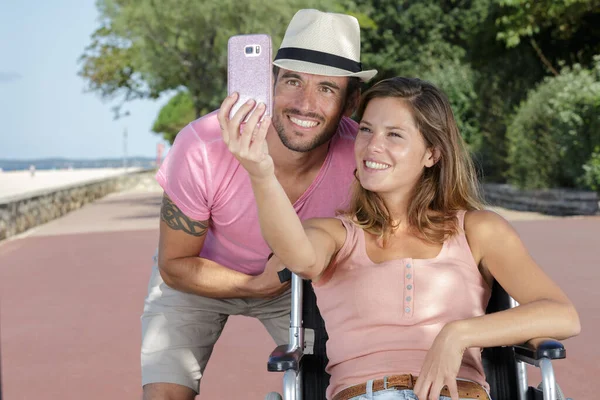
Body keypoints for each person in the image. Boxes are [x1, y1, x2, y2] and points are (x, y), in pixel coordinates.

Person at [220, 76, 581, 400]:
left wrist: (457, 335)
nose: (372, 146)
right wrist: (261, 171)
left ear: (431, 153)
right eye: (365, 130)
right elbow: (299, 258)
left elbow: (562, 316)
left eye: (394, 134)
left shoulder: (479, 230)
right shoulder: (334, 234)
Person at [140, 9, 378, 400]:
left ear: (351, 102)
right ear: (270, 83)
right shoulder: (202, 144)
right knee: (164, 395)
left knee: (334, 386)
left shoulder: (361, 155)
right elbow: (174, 266)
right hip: (197, 273)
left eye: (327, 89)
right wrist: (256, 284)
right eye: (293, 81)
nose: (305, 103)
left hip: (297, 283)